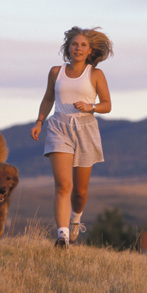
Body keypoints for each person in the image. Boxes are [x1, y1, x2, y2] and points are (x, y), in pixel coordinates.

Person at [30, 26, 113, 249]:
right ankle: (63, 236)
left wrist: (90, 106)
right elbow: (48, 99)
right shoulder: (56, 72)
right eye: (74, 44)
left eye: (83, 45)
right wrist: (39, 122)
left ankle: (75, 219)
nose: (78, 48)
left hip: (86, 129)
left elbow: (107, 105)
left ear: (90, 50)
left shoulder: (95, 74)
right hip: (59, 126)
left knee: (80, 191)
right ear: (68, 47)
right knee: (63, 185)